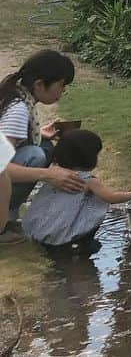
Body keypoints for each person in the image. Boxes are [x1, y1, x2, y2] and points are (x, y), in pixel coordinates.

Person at [1, 50, 82, 242]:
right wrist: (48, 175)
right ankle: (4, 221)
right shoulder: (18, 110)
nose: (63, 91)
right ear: (39, 84)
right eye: (61, 85)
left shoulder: (14, 93)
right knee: (36, 155)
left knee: (43, 145)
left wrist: (38, 132)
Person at [21, 130, 131, 247]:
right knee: (93, 206)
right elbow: (110, 198)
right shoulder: (89, 180)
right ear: (90, 157)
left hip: (38, 229)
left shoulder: (55, 174)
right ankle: (80, 243)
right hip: (61, 234)